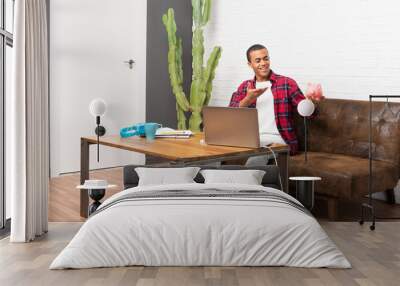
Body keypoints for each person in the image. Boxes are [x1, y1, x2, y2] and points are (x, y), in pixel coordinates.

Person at [229, 44, 323, 164]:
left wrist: (310, 102)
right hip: (251, 139)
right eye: (258, 60)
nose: (263, 63)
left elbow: (308, 114)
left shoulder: (286, 83)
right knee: (213, 151)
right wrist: (249, 99)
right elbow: (230, 114)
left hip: (279, 139)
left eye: (266, 58)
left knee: (256, 159)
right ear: (250, 64)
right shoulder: (245, 86)